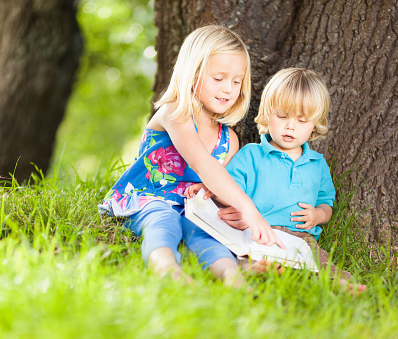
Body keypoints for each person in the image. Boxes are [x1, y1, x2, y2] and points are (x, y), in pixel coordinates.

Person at [98, 25, 283, 283]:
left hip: (193, 210)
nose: (228, 89)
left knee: (206, 233)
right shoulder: (175, 113)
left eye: (236, 81)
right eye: (218, 79)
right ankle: (166, 269)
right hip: (148, 199)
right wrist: (248, 208)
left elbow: (219, 186)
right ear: (192, 74)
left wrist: (231, 209)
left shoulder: (228, 140)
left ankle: (233, 277)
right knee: (163, 222)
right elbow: (203, 164)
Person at [184, 68, 366, 292]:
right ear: (268, 114)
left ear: (315, 124)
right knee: (243, 252)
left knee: (320, 262)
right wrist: (210, 188)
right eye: (282, 116)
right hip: (258, 231)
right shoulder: (252, 155)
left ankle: (339, 284)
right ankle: (255, 270)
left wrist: (318, 215)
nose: (291, 126)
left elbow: (326, 202)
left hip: (301, 236)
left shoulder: (317, 164)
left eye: (302, 120)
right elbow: (228, 188)